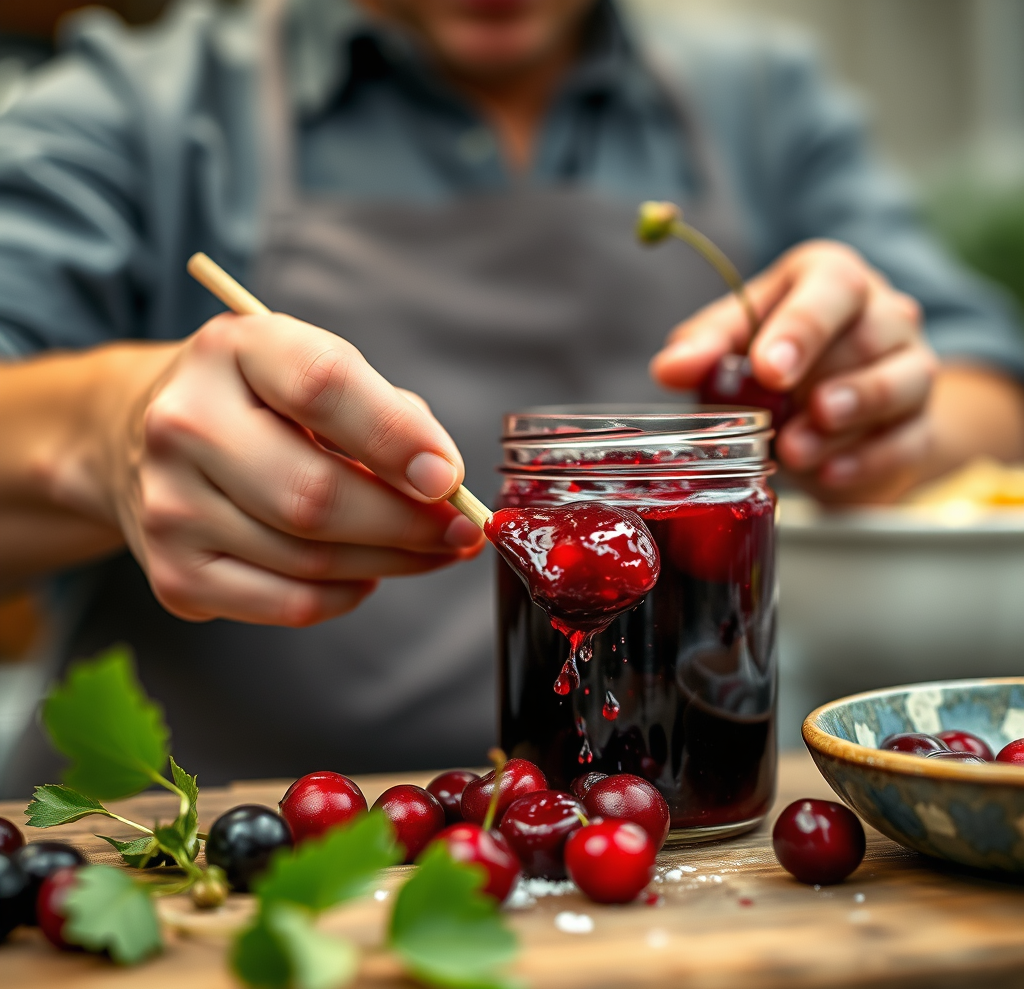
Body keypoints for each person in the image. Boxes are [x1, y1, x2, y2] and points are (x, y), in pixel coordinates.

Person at [1, 0, 1023, 792]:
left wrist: (880, 420)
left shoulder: (759, 97)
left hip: (693, 832)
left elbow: (988, 396)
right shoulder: (141, 106)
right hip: (220, 864)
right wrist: (105, 429)